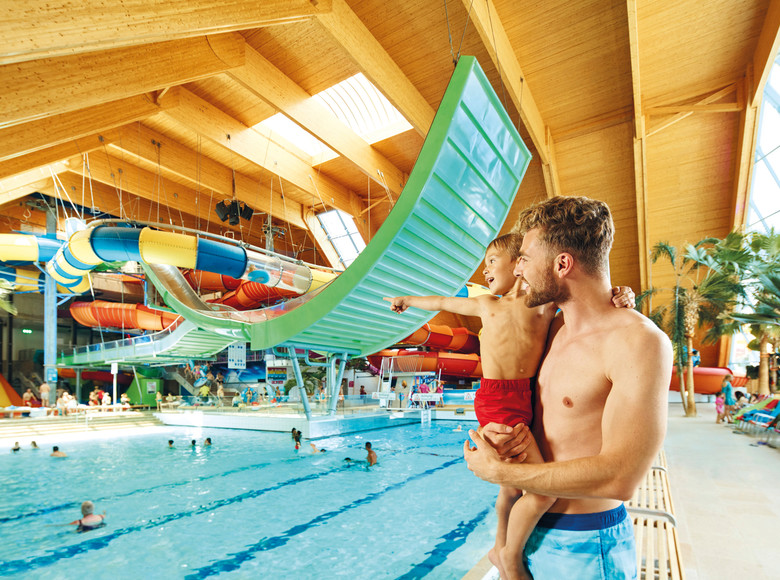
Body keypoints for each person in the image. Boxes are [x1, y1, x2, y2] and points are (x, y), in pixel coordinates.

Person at [386, 232, 634, 579]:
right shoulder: (487, 304)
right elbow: (443, 301)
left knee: (511, 487)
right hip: (498, 401)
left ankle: (500, 547)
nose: (485, 270)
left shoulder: (545, 305)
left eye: (491, 261)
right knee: (540, 493)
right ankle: (510, 555)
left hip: (524, 396)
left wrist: (620, 293)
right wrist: (407, 299)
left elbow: (585, 298)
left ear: (520, 263)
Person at [463, 196, 672, 580]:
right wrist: (502, 439)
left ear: (563, 263)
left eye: (525, 257)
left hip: (586, 546)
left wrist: (500, 474)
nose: (518, 268)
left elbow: (621, 477)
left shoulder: (637, 341)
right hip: (528, 534)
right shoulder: (553, 330)